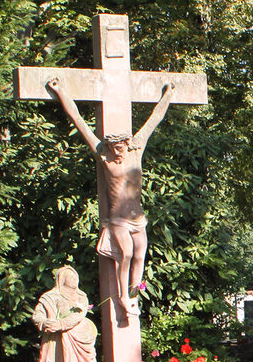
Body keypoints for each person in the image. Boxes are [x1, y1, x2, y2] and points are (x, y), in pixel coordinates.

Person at [46, 78, 175, 316]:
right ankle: (124, 297)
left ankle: (134, 296)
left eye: (122, 147)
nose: (119, 151)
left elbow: (154, 120)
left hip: (138, 219)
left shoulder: (136, 153)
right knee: (125, 254)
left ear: (127, 145)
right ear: (110, 147)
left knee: (140, 254)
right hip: (118, 219)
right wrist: (60, 90)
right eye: (115, 147)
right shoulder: (103, 157)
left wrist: (167, 95)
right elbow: (80, 122)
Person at [32, 266, 100, 362]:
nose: (74, 279)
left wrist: (61, 324)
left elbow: (78, 316)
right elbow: (38, 316)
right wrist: (45, 323)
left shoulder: (81, 297)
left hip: (80, 340)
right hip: (58, 343)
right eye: (70, 277)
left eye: (76, 277)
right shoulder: (50, 297)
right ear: (62, 279)